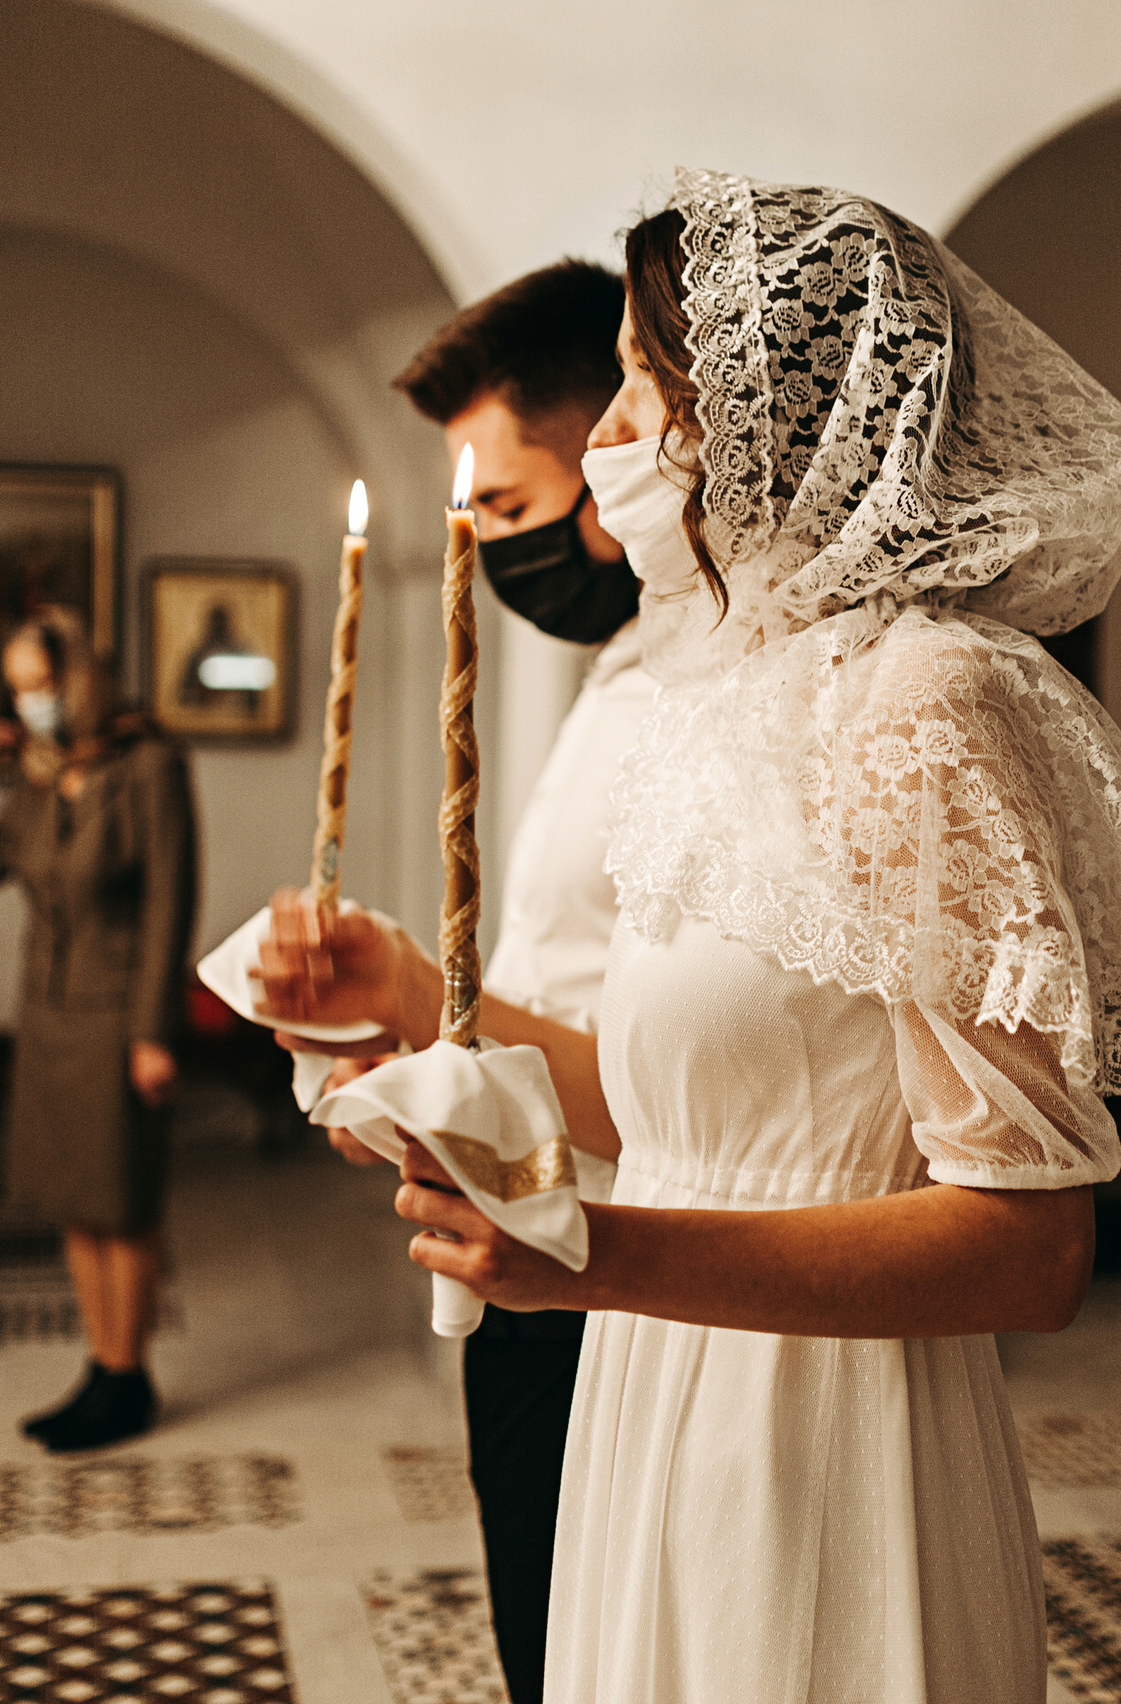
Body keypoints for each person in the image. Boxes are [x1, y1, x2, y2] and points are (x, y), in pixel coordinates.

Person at [260, 169, 1121, 1702]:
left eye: (642, 385)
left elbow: (1030, 1242)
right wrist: (426, 1055)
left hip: (829, 1427)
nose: (605, 438)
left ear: (776, 416)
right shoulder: (716, 698)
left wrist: (596, 1256)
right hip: (660, 1391)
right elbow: (671, 1108)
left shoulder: (926, 704)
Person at [285, 257, 641, 1704]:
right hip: (533, 1232)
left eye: (503, 507)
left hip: (625, 1264)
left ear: (612, 460)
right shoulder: (619, 677)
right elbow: (558, 982)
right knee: (535, 1642)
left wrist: (426, 992)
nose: (491, 551)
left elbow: (670, 1074)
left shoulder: (711, 703)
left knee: (588, 1652)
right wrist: (411, 1055)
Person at [0, 607, 197, 1452]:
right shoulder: (38, 772)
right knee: (73, 1199)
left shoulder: (150, 765)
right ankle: (100, 1364)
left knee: (123, 1201)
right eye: (17, 690)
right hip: (47, 1013)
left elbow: (170, 901)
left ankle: (129, 1376)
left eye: (41, 687)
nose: (29, 706)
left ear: (78, 679)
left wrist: (154, 1032)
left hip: (120, 1014)